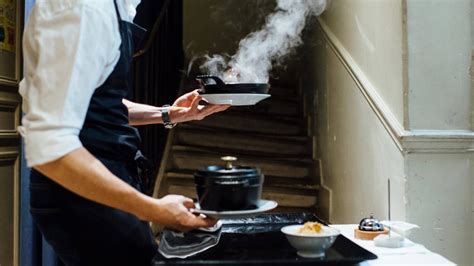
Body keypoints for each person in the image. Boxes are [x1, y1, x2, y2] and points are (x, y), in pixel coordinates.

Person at [19, 0, 229, 265]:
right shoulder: (85, 9)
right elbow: (51, 147)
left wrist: (171, 114)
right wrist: (154, 209)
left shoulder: (112, 8)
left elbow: (96, 103)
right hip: (81, 191)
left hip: (101, 180)